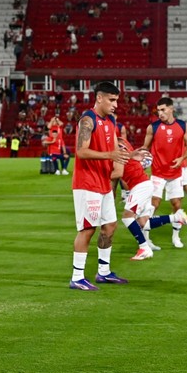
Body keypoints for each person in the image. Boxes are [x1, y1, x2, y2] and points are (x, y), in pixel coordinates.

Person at [70, 81, 138, 291]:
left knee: (109, 226)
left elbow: (114, 154)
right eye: (112, 99)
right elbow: (81, 152)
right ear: (99, 98)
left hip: (104, 183)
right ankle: (77, 276)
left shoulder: (110, 122)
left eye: (117, 100)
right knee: (88, 229)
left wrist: (130, 156)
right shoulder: (88, 120)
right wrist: (110, 155)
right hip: (87, 183)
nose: (115, 104)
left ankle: (104, 272)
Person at [113, 136, 187, 260]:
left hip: (140, 186)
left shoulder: (117, 147)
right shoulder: (122, 142)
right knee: (144, 223)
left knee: (127, 217)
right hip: (143, 184)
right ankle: (176, 217)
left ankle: (144, 248)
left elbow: (118, 173)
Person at [142, 97, 187, 250]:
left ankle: (176, 237)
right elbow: (145, 148)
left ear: (171, 109)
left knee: (177, 205)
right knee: (153, 205)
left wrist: (182, 158)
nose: (160, 113)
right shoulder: (153, 127)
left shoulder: (183, 126)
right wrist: (141, 163)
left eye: (163, 110)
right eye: (158, 110)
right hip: (157, 173)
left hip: (176, 173)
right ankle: (146, 241)